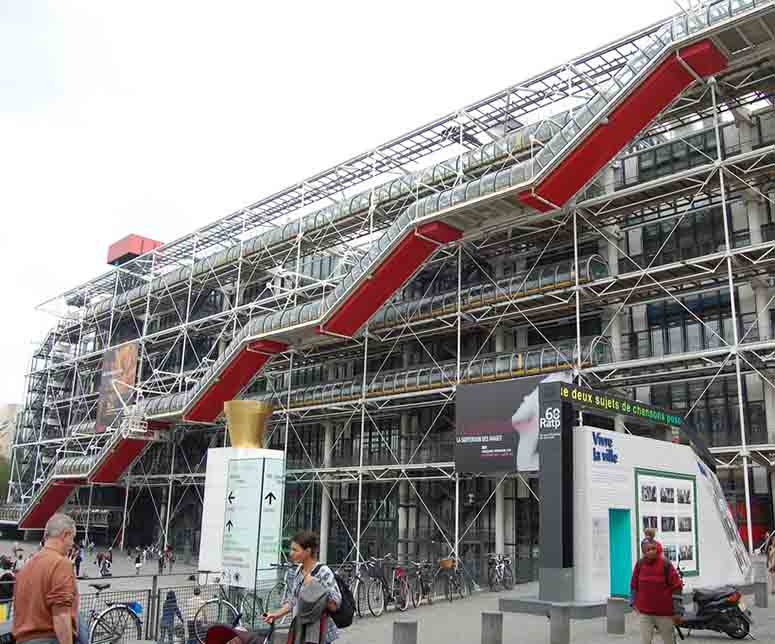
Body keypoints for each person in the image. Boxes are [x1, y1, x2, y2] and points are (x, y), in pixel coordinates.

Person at [12, 513, 89, 644]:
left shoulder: (25, 567)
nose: (72, 544)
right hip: (49, 638)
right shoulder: (61, 564)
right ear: (65, 534)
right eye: (73, 538)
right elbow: (61, 615)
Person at [264, 530, 341, 643]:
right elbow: (293, 600)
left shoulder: (324, 572)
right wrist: (275, 615)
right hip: (301, 629)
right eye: (291, 549)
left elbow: (335, 604)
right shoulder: (298, 571)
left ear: (308, 551)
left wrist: (314, 585)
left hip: (321, 632)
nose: (291, 553)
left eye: (295, 550)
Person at [630, 541, 683, 644]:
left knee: (669, 641)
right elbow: (634, 584)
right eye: (647, 550)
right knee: (645, 641)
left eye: (653, 549)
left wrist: (677, 611)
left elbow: (676, 587)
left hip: (664, 613)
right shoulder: (640, 564)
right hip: (645, 613)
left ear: (657, 549)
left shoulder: (666, 564)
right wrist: (633, 602)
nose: (651, 552)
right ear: (643, 551)